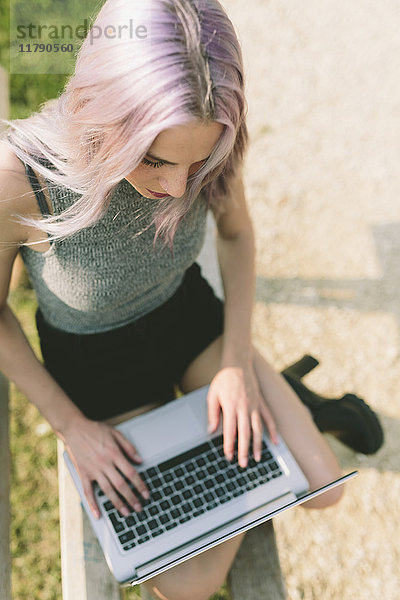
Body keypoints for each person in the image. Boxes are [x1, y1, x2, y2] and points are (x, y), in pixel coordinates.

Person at [0, 1, 354, 598]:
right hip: (95, 365)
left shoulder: (209, 132)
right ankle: (292, 406)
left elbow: (237, 234)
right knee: (189, 583)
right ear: (101, 114)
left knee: (326, 485)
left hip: (186, 318)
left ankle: (275, 403)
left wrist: (238, 365)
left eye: (197, 165)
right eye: (156, 160)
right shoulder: (24, 178)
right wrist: (72, 428)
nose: (174, 188)